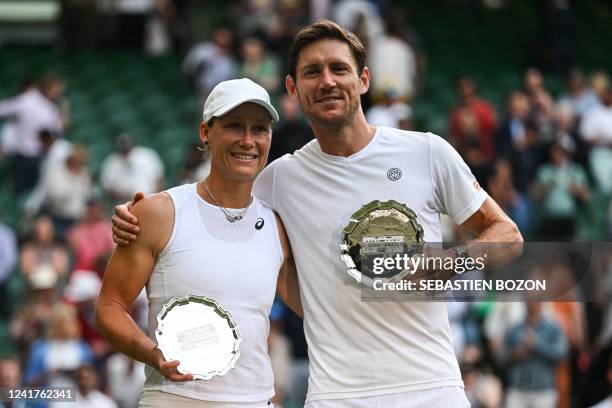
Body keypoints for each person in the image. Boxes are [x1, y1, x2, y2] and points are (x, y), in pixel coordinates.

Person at [112, 20, 523, 407]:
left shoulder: (426, 152)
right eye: (312, 72)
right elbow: (205, 204)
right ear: (293, 88)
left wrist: (446, 262)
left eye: (339, 69)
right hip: (335, 395)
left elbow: (507, 236)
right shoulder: (276, 181)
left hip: (433, 388)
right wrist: (135, 214)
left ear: (363, 79)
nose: (327, 81)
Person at [96, 78, 301, 407]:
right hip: (173, 399)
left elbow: (316, 308)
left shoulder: (278, 225)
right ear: (205, 132)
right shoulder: (158, 212)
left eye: (259, 129)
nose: (248, 141)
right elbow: (109, 307)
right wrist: (152, 353)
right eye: (235, 126)